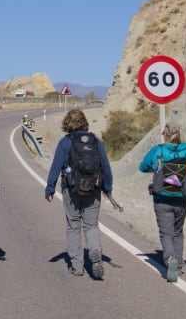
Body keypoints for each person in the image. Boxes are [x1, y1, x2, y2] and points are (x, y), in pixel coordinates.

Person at [45, 109, 113, 279]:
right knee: (91, 225)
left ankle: (77, 265)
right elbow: (105, 166)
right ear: (84, 122)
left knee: (73, 225)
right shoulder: (95, 141)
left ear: (67, 123)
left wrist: (50, 188)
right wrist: (107, 188)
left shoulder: (65, 142)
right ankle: (95, 250)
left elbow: (55, 167)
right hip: (93, 189)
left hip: (72, 190)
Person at [139, 121, 186, 282]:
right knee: (178, 231)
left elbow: (142, 167)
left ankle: (170, 260)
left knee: (166, 233)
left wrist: (155, 170)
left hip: (162, 198)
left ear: (165, 134)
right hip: (182, 198)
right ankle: (178, 264)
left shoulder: (158, 151)